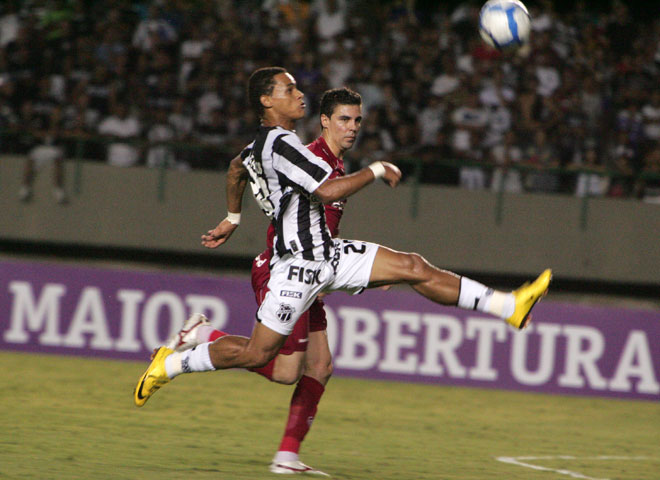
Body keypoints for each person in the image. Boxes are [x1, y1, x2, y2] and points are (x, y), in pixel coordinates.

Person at [134, 67, 551, 470]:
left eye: (357, 120)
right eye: (289, 89)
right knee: (267, 360)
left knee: (410, 266)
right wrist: (375, 170)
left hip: (328, 258)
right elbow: (328, 190)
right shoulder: (288, 147)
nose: (299, 94)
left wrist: (233, 218)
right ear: (268, 101)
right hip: (294, 268)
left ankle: (508, 305)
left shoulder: (277, 144)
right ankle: (173, 363)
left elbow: (235, 168)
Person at [163, 87, 364, 475]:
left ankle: (286, 458)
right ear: (324, 122)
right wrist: (233, 217)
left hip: (313, 271)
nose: (351, 128)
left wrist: (364, 272)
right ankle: (206, 337)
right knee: (288, 370)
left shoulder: (333, 164)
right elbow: (246, 169)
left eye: (357, 120)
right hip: (283, 269)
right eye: (343, 119)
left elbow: (241, 167)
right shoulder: (311, 158)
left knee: (319, 367)